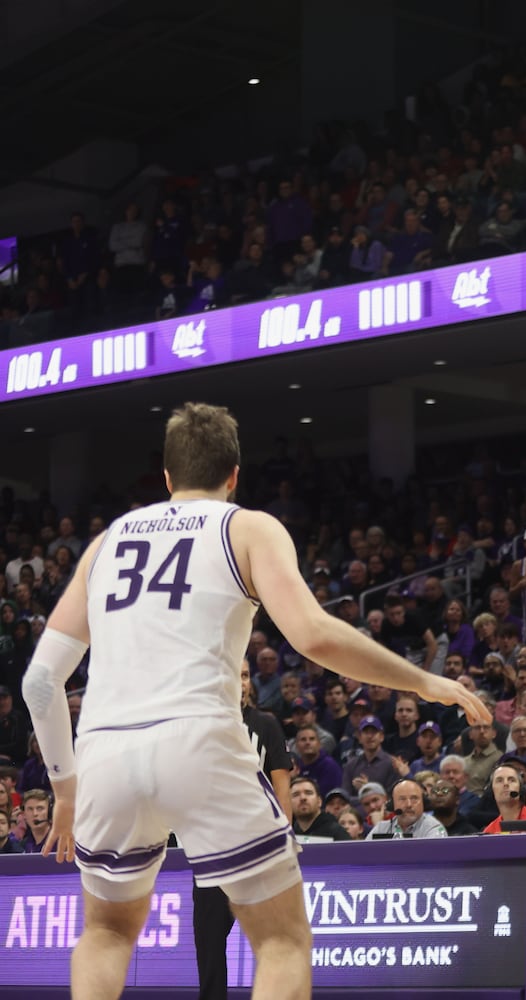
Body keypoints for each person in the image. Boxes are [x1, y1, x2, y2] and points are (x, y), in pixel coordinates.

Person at [20, 402, 489, 1000]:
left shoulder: (107, 543)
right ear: (234, 475)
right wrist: (424, 680)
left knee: (106, 934)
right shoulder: (246, 526)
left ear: (165, 478)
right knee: (281, 942)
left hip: (106, 751)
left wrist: (65, 788)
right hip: (199, 740)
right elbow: (315, 635)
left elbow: (40, 683)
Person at [195, 657, 297, 1000]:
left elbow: (282, 788)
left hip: (258, 847)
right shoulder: (201, 727)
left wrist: (283, 844)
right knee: (209, 942)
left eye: (244, 675)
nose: (240, 682)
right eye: (231, 675)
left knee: (272, 941)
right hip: (212, 850)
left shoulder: (266, 725)